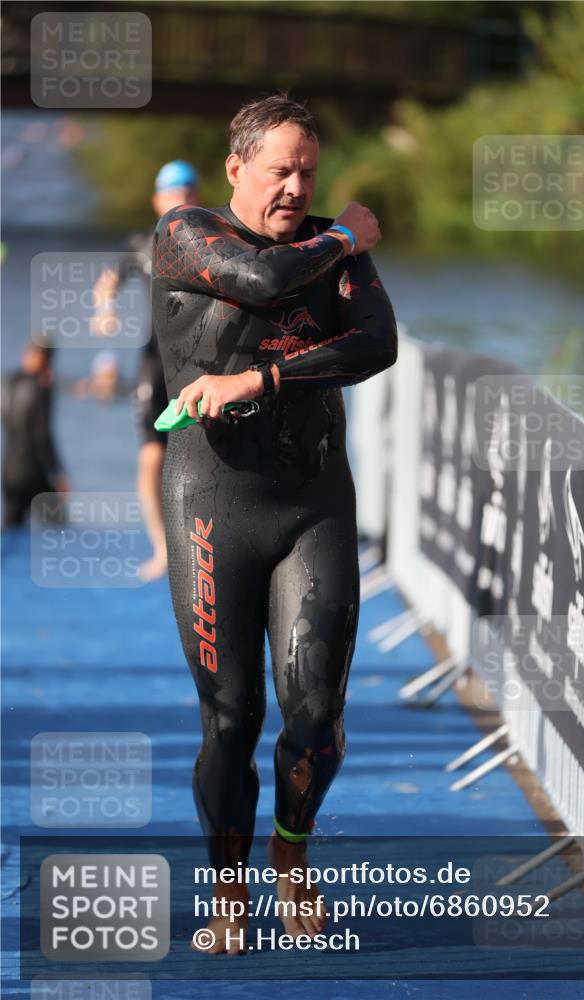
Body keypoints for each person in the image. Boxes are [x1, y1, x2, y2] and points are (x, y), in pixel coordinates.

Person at [151, 93, 397, 954]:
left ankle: (290, 853)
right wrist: (345, 235)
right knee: (230, 717)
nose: (295, 186)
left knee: (315, 710)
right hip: (211, 505)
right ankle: (229, 891)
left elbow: (375, 347)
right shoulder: (186, 233)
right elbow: (259, 281)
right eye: (279, 169)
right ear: (236, 170)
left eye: (308, 172)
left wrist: (259, 381)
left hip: (311, 503)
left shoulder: (338, 255)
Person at [92, 160, 200, 580]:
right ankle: (162, 547)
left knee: (203, 453)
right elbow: (106, 282)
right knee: (151, 457)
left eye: (189, 194)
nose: (181, 202)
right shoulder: (141, 245)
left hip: (199, 360)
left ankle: (207, 541)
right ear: (158, 200)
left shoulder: (212, 240)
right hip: (156, 359)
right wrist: (104, 309)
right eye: (174, 195)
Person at [1, 337, 69, 526]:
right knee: (60, 530)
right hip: (34, 472)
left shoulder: (6, 384)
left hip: (9, 472)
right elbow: (42, 436)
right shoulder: (40, 388)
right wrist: (57, 473)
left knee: (12, 531)